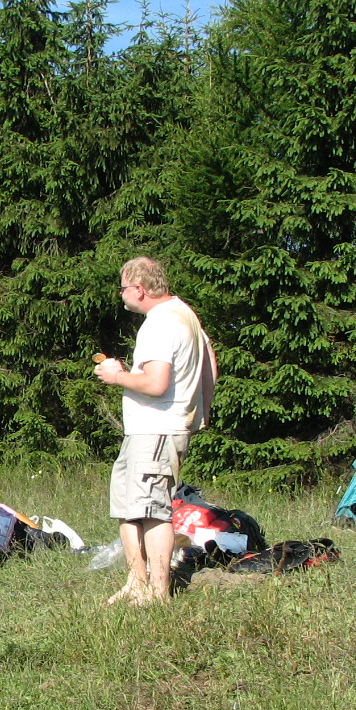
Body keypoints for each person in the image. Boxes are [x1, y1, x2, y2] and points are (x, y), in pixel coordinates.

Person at [93, 257, 216, 605]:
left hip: (157, 429)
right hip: (148, 429)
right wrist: (202, 409)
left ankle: (158, 591)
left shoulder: (160, 323)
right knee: (129, 505)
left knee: (152, 510)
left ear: (139, 289)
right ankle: (137, 581)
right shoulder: (184, 314)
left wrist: (116, 376)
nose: (121, 295)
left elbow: (156, 383)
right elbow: (209, 360)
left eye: (123, 288)